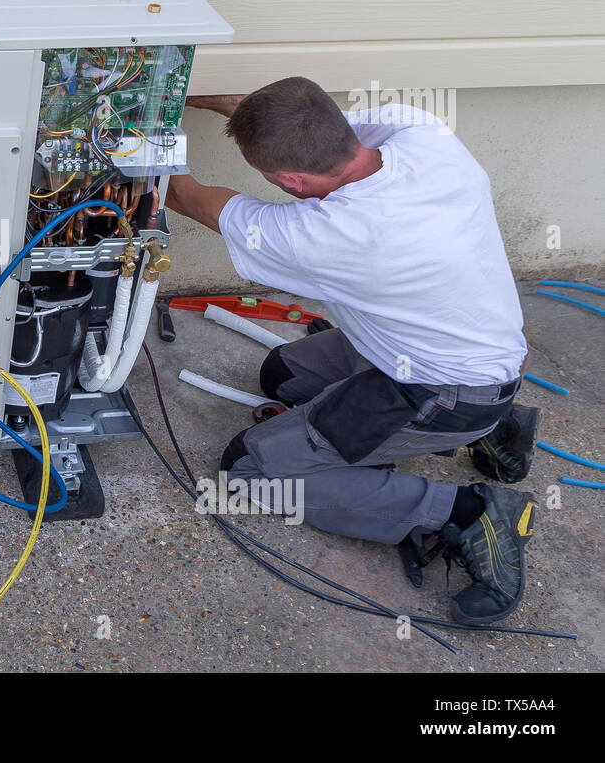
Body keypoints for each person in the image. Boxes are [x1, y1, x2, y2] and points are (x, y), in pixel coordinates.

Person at [166, 76, 540, 625]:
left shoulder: (331, 234)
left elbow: (181, 195)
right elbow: (267, 112)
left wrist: (149, 123)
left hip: (440, 389)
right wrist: (168, 93)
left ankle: (467, 511)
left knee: (251, 470)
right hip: (460, 349)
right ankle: (498, 424)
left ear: (289, 180)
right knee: (282, 376)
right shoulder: (421, 133)